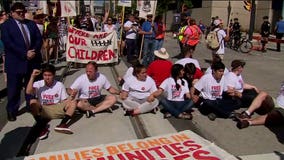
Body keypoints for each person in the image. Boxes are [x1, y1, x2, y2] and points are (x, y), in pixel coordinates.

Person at [1, 2, 43, 121]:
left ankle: (31, 106)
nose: (21, 14)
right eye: (19, 12)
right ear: (12, 13)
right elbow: (8, 43)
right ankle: (12, 110)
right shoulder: (6, 26)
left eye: (23, 12)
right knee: (14, 88)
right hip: (16, 62)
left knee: (31, 85)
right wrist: (24, 53)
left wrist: (34, 50)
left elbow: (38, 39)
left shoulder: (31, 24)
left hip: (32, 60)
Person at [26, 64, 77, 139]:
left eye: (49, 75)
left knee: (73, 102)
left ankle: (62, 125)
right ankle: (42, 128)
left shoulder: (59, 85)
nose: (47, 78)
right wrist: (32, 77)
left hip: (57, 108)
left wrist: (72, 97)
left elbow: (64, 101)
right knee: (32, 101)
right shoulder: (39, 84)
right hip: (44, 109)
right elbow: (28, 92)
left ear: (54, 75)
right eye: (45, 75)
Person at [0, 10, 8, 80]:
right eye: (4, 14)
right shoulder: (3, 24)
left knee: (5, 61)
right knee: (5, 61)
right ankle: (6, 78)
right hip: (3, 44)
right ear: (1, 16)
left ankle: (6, 77)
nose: (6, 15)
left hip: (3, 43)